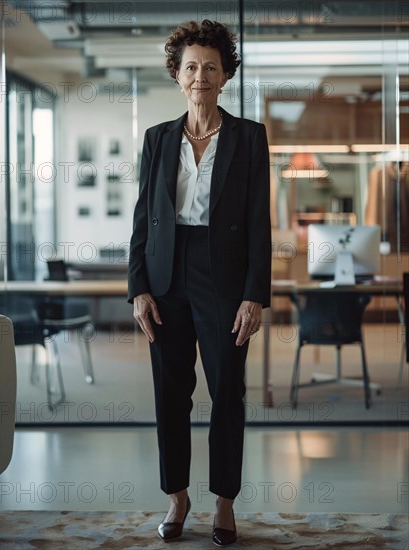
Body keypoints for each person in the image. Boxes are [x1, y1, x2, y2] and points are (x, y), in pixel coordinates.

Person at [127, 19, 271, 546]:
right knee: (170, 394)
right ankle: (177, 498)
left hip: (226, 277)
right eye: (192, 66)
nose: (201, 76)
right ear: (178, 75)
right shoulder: (157, 139)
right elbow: (143, 219)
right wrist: (138, 288)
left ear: (225, 74)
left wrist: (256, 293)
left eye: (211, 66)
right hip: (166, 277)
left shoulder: (250, 138)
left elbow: (260, 222)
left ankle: (225, 503)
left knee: (227, 391)